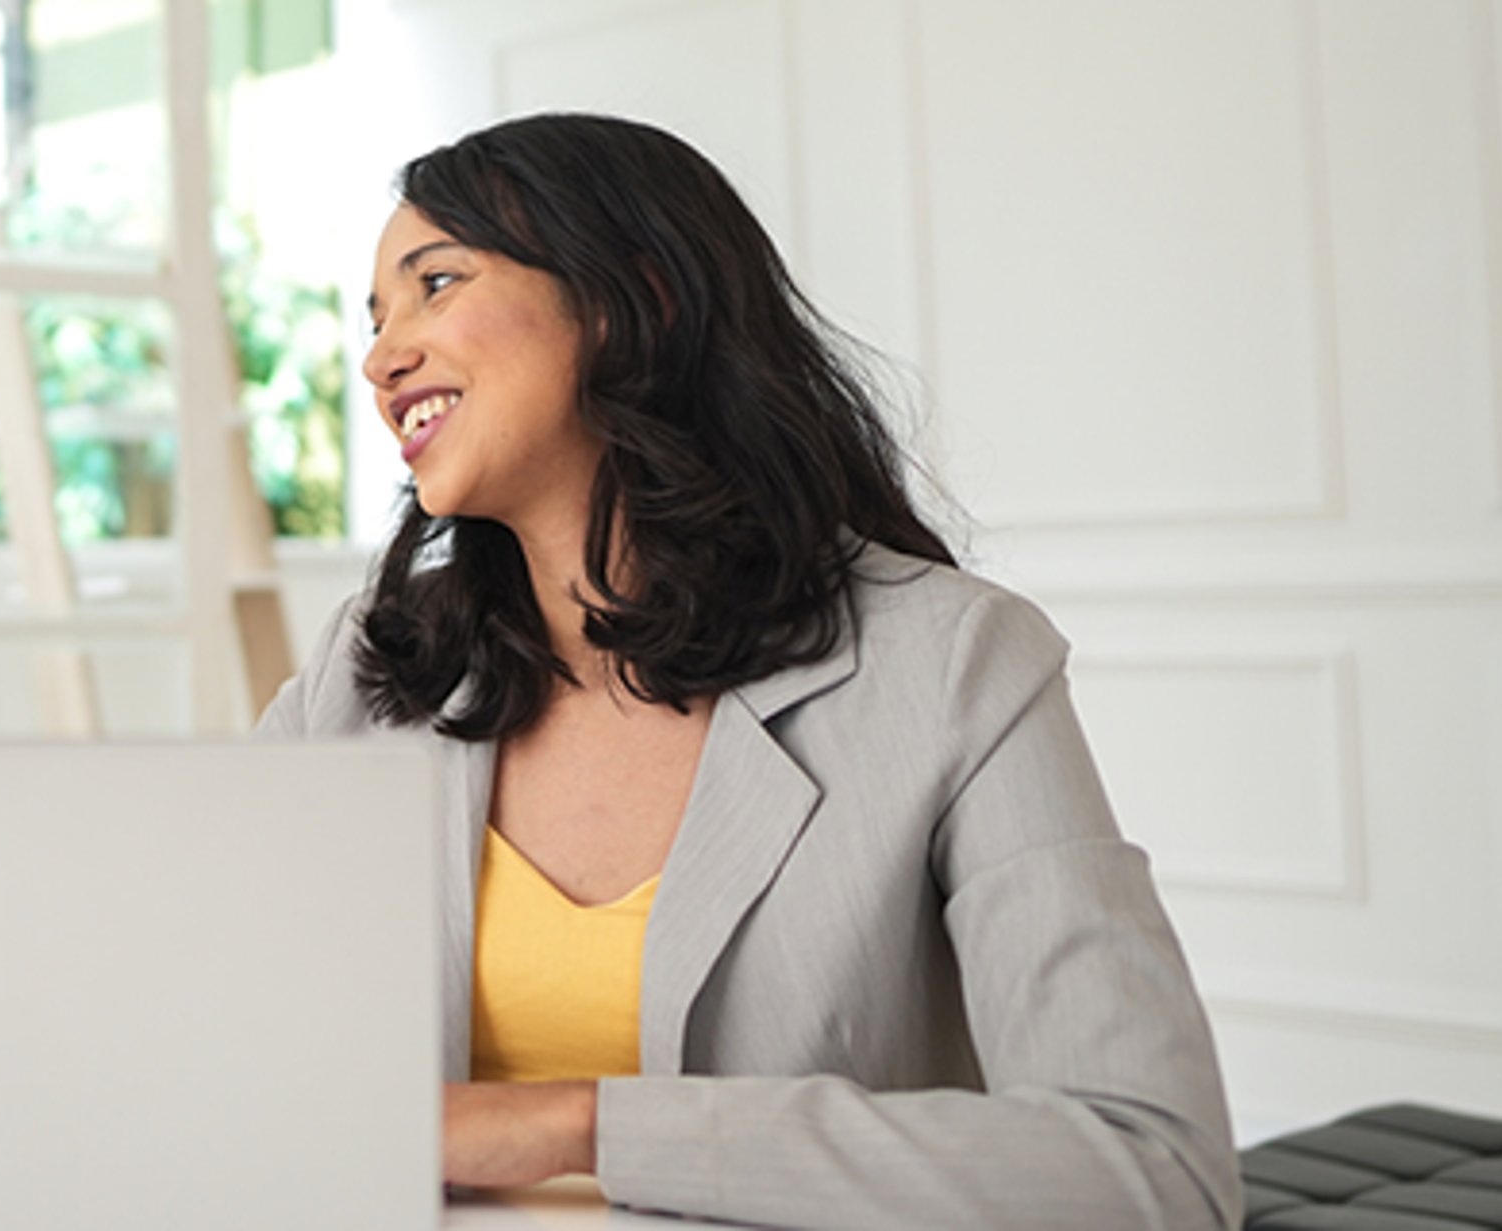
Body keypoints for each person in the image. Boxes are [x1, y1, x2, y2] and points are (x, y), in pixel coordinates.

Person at [252, 113, 1240, 1229]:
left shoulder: (956, 664)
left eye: (436, 283)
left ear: (634, 302)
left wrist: (576, 1126)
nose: (381, 355)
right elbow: (197, 1024)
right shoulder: (366, 667)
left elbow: (1150, 1164)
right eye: (375, 317)